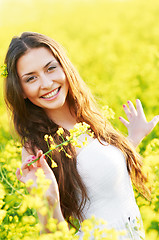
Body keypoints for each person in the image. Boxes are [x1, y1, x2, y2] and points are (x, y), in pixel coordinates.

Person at [4, 32, 159, 239]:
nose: (47, 83)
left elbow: (103, 177)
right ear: (21, 90)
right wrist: (48, 198)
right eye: (31, 78)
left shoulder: (88, 117)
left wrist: (132, 140)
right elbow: (53, 234)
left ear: (64, 68)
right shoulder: (37, 149)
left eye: (51, 68)